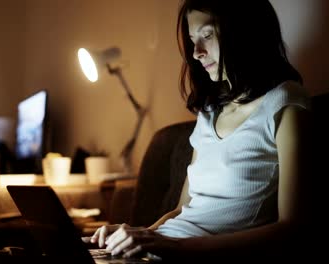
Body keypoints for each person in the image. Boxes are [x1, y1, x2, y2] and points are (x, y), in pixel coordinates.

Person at [83, 0, 311, 260]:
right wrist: (139, 234)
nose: (196, 52)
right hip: (159, 252)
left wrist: (171, 247)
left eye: (207, 35)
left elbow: (292, 228)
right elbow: (183, 210)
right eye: (193, 40)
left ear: (244, 32)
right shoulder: (209, 113)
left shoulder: (284, 102)